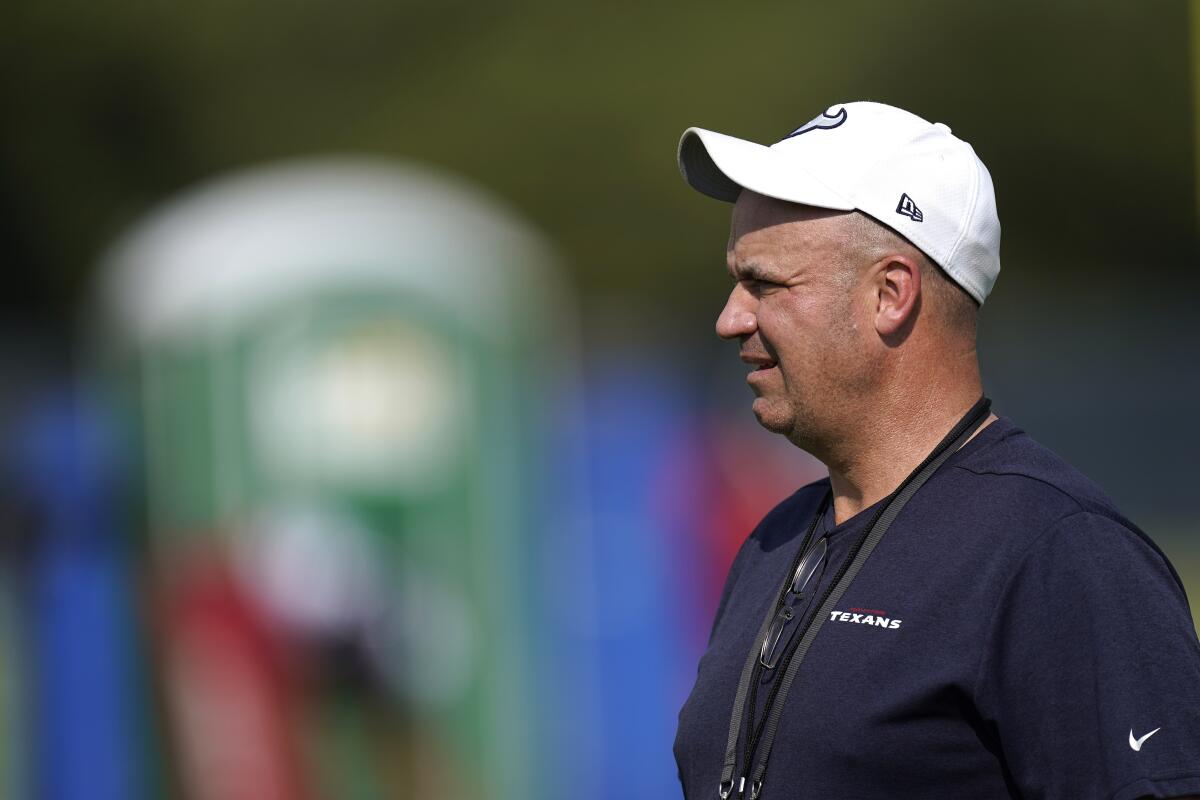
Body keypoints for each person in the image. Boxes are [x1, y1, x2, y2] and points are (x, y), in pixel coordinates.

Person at [671, 101, 1200, 800]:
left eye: (764, 284)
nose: (730, 318)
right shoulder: (776, 542)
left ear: (890, 294)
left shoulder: (1061, 553)